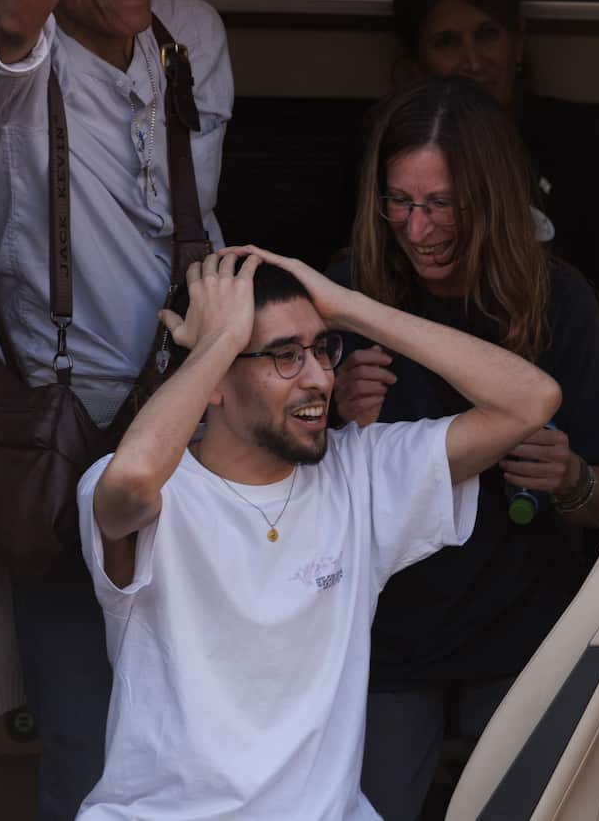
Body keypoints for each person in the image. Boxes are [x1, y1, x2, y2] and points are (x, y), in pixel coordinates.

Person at [76, 246, 560, 819]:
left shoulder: (361, 476)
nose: (319, 378)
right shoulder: (157, 490)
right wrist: (217, 343)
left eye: (321, 350)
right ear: (215, 379)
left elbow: (531, 401)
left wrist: (349, 309)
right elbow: (129, 479)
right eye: (284, 356)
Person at [0, 0, 234, 816]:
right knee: (86, 736)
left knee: (197, 725)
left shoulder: (192, 33)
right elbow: (10, 29)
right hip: (64, 441)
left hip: (188, 420)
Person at [329, 76, 599, 820]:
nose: (417, 228)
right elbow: (264, 489)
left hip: (523, 627)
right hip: (381, 635)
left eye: (441, 204)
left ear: (490, 197)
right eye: (399, 201)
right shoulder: (344, 293)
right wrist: (327, 418)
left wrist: (573, 481)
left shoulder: (560, 301)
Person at [390, 0, 599, 379]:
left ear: (519, 40)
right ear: (419, 59)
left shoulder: (585, 147)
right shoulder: (392, 152)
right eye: (447, 42)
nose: (472, 61)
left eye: (488, 34)